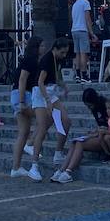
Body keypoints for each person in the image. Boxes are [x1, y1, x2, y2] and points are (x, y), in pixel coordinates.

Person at [28, 36, 71, 181]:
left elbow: (56, 76)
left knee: (65, 120)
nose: (64, 55)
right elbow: (40, 82)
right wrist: (47, 101)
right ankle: (34, 166)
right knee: (42, 128)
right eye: (63, 52)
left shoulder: (57, 59)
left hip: (50, 91)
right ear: (55, 49)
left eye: (66, 53)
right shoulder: (47, 60)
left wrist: (63, 86)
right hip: (40, 93)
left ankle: (58, 152)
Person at [51, 87, 110, 182]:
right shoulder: (95, 109)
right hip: (99, 134)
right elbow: (101, 125)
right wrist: (94, 132)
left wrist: (97, 132)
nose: (89, 108)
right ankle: (61, 170)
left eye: (90, 106)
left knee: (80, 143)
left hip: (106, 137)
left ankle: (68, 172)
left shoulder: (105, 107)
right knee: (75, 142)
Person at [9, 35, 42, 177]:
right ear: (36, 47)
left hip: (18, 94)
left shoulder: (29, 60)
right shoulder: (30, 60)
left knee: (22, 132)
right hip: (23, 95)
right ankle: (30, 143)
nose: (44, 48)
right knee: (44, 119)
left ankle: (16, 168)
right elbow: (22, 79)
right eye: (42, 46)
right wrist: (22, 101)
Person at [70, 0, 93, 80]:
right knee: (84, 53)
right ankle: (84, 74)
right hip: (82, 30)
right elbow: (87, 18)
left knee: (77, 53)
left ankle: (78, 74)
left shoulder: (74, 5)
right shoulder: (85, 3)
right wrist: (91, 33)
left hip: (74, 30)